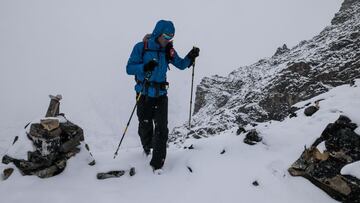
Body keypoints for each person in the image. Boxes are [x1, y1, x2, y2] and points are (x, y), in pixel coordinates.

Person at [126, 20, 200, 172]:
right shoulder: (141, 47)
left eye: (171, 37)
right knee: (145, 125)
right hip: (144, 93)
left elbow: (180, 64)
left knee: (161, 129)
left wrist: (190, 57)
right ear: (158, 33)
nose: (168, 39)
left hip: (161, 95)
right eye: (166, 35)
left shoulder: (168, 50)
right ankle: (147, 149)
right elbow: (129, 68)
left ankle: (157, 165)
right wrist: (144, 67)